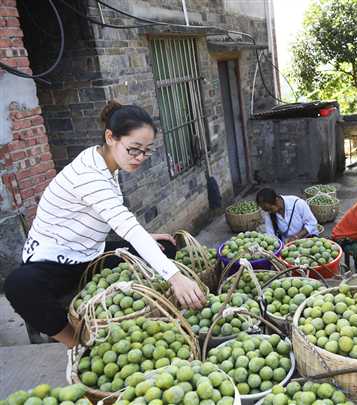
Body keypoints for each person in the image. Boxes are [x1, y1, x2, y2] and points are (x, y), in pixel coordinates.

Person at [4, 101, 206, 348]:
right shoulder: (88, 174)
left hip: (90, 253)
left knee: (165, 247)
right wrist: (175, 278)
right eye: (134, 149)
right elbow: (125, 223)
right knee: (19, 286)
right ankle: (78, 344)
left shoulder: (108, 162)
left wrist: (144, 237)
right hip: (55, 262)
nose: (140, 157)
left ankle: (144, 315)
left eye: (147, 150)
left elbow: (110, 217)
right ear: (110, 137)